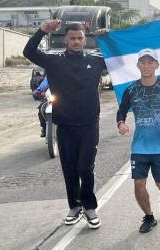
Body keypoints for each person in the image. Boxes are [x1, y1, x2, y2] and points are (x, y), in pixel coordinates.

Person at [23, 20, 108, 229]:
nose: (76, 42)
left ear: (85, 39)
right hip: (65, 125)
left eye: (80, 38)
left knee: (85, 167)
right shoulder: (54, 61)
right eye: (72, 38)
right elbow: (29, 51)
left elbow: (124, 58)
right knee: (69, 168)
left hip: (89, 124)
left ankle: (89, 207)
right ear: (66, 40)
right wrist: (42, 31)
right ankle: (74, 207)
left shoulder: (97, 60)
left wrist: (109, 37)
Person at [116, 48, 160, 233]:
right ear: (138, 65)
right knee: (139, 183)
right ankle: (149, 216)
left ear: (156, 64)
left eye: (150, 62)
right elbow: (121, 110)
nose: (146, 66)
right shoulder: (131, 89)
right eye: (143, 62)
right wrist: (121, 123)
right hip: (139, 146)